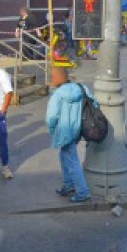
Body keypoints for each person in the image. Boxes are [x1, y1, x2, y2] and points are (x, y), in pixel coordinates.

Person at [45, 66, 91, 203]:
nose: (51, 79)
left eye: (52, 77)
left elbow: (51, 117)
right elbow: (94, 103)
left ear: (58, 78)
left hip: (64, 131)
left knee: (71, 160)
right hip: (78, 129)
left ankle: (83, 192)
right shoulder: (81, 88)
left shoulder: (57, 95)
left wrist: (52, 130)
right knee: (64, 155)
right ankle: (68, 183)